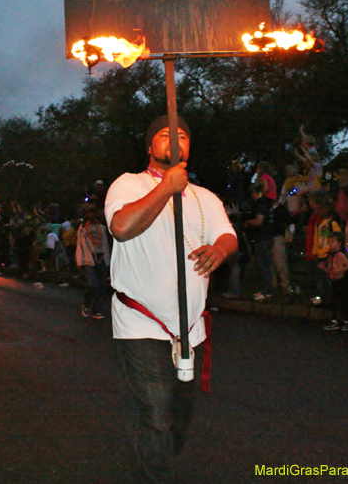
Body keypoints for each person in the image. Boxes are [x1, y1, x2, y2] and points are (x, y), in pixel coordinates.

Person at [105, 115, 238, 483]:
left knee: (179, 415)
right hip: (140, 322)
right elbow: (121, 228)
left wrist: (219, 249)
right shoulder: (128, 184)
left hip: (190, 329)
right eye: (165, 135)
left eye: (182, 136)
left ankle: (155, 460)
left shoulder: (205, 198)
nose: (175, 140)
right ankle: (157, 475)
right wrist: (167, 187)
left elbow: (227, 235)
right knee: (156, 411)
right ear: (149, 146)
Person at [321, 232, 348, 332]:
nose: (331, 244)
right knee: (334, 301)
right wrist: (326, 269)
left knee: (344, 301)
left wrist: (340, 270)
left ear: (339, 243)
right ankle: (334, 320)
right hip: (334, 280)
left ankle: (346, 320)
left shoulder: (340, 255)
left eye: (333, 242)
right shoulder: (331, 255)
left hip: (342, 282)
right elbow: (330, 268)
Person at [75, 209, 110, 319]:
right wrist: (79, 262)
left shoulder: (103, 228)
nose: (92, 215)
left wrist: (108, 261)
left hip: (102, 258)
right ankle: (87, 304)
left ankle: (97, 310)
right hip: (89, 259)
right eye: (90, 213)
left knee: (101, 285)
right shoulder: (83, 229)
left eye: (94, 213)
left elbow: (107, 243)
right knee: (92, 284)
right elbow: (79, 245)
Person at [244, 183, 275, 301]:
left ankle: (267, 291)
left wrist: (248, 223)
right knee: (267, 264)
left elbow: (258, 221)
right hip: (269, 236)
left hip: (262, 237)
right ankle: (267, 289)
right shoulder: (268, 202)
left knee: (263, 265)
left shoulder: (259, 204)